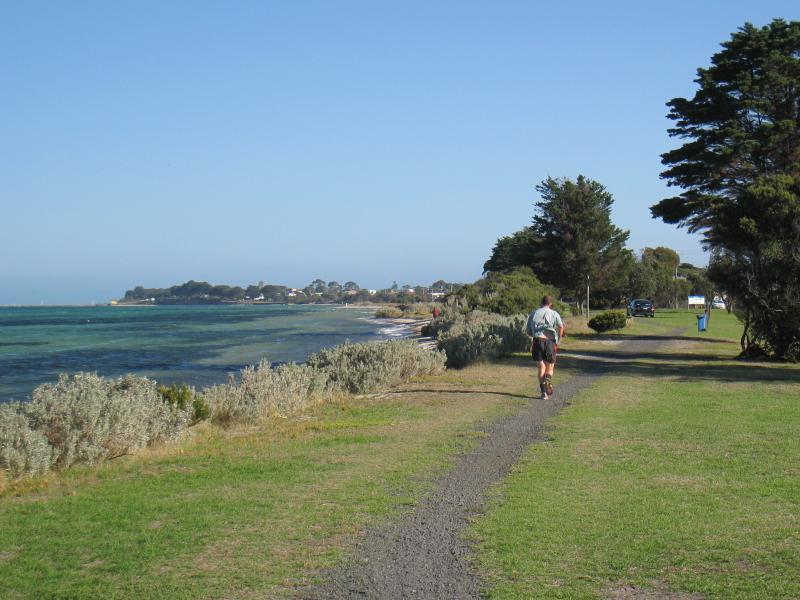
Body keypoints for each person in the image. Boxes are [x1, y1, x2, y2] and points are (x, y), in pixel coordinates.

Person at [526, 295, 565, 400]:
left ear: (541, 303)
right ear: (551, 304)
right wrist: (558, 340)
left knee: (541, 367)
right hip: (550, 341)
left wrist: (534, 335)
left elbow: (528, 331)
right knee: (550, 366)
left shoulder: (534, 313)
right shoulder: (554, 313)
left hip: (538, 340)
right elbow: (561, 327)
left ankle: (543, 393)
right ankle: (548, 380)